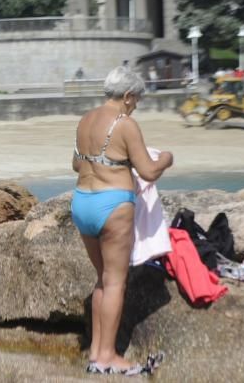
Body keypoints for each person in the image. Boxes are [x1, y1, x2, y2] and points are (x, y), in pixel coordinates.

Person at [71, 66, 174, 375]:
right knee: (116, 282)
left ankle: (95, 353)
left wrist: (111, 159)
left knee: (102, 279)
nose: (137, 104)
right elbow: (149, 171)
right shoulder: (125, 124)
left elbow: (77, 163)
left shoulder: (86, 119)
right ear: (128, 96)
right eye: (137, 99)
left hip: (82, 202)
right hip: (113, 204)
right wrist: (167, 157)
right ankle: (108, 357)